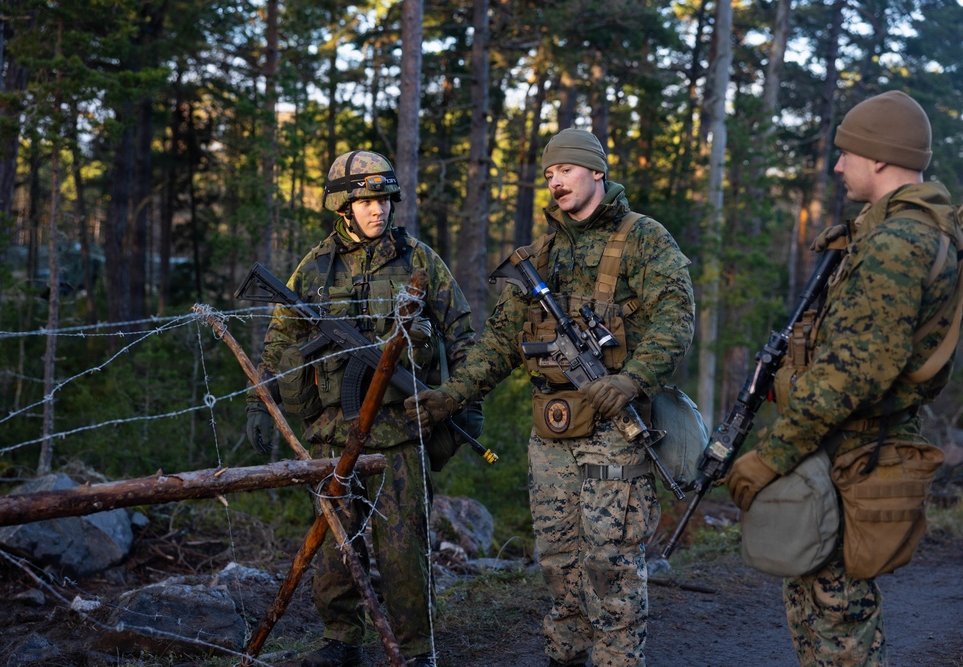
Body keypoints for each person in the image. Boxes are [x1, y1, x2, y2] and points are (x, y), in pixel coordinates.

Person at [405, 128, 696, 667]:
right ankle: (565, 654)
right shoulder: (538, 255)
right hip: (553, 427)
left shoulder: (644, 239)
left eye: (566, 170)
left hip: (614, 424)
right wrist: (451, 396)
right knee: (558, 558)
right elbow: (499, 342)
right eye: (548, 174)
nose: (556, 182)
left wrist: (631, 380)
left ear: (597, 171)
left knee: (610, 559)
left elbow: (675, 321)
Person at [726, 90, 959, 666]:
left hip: (851, 452)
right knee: (818, 608)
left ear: (879, 157)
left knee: (838, 622)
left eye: (846, 153)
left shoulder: (896, 243)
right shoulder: (899, 232)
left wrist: (770, 457)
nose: (836, 166)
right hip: (844, 448)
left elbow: (853, 373)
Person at [246, 149, 476, 667]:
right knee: (335, 546)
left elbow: (462, 333)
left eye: (386, 200)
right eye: (367, 201)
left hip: (401, 432)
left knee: (403, 548)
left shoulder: (420, 261)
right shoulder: (314, 268)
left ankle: (415, 649)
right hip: (332, 432)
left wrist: (463, 400)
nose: (379, 209)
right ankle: (340, 640)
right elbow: (280, 341)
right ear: (343, 207)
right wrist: (260, 402)